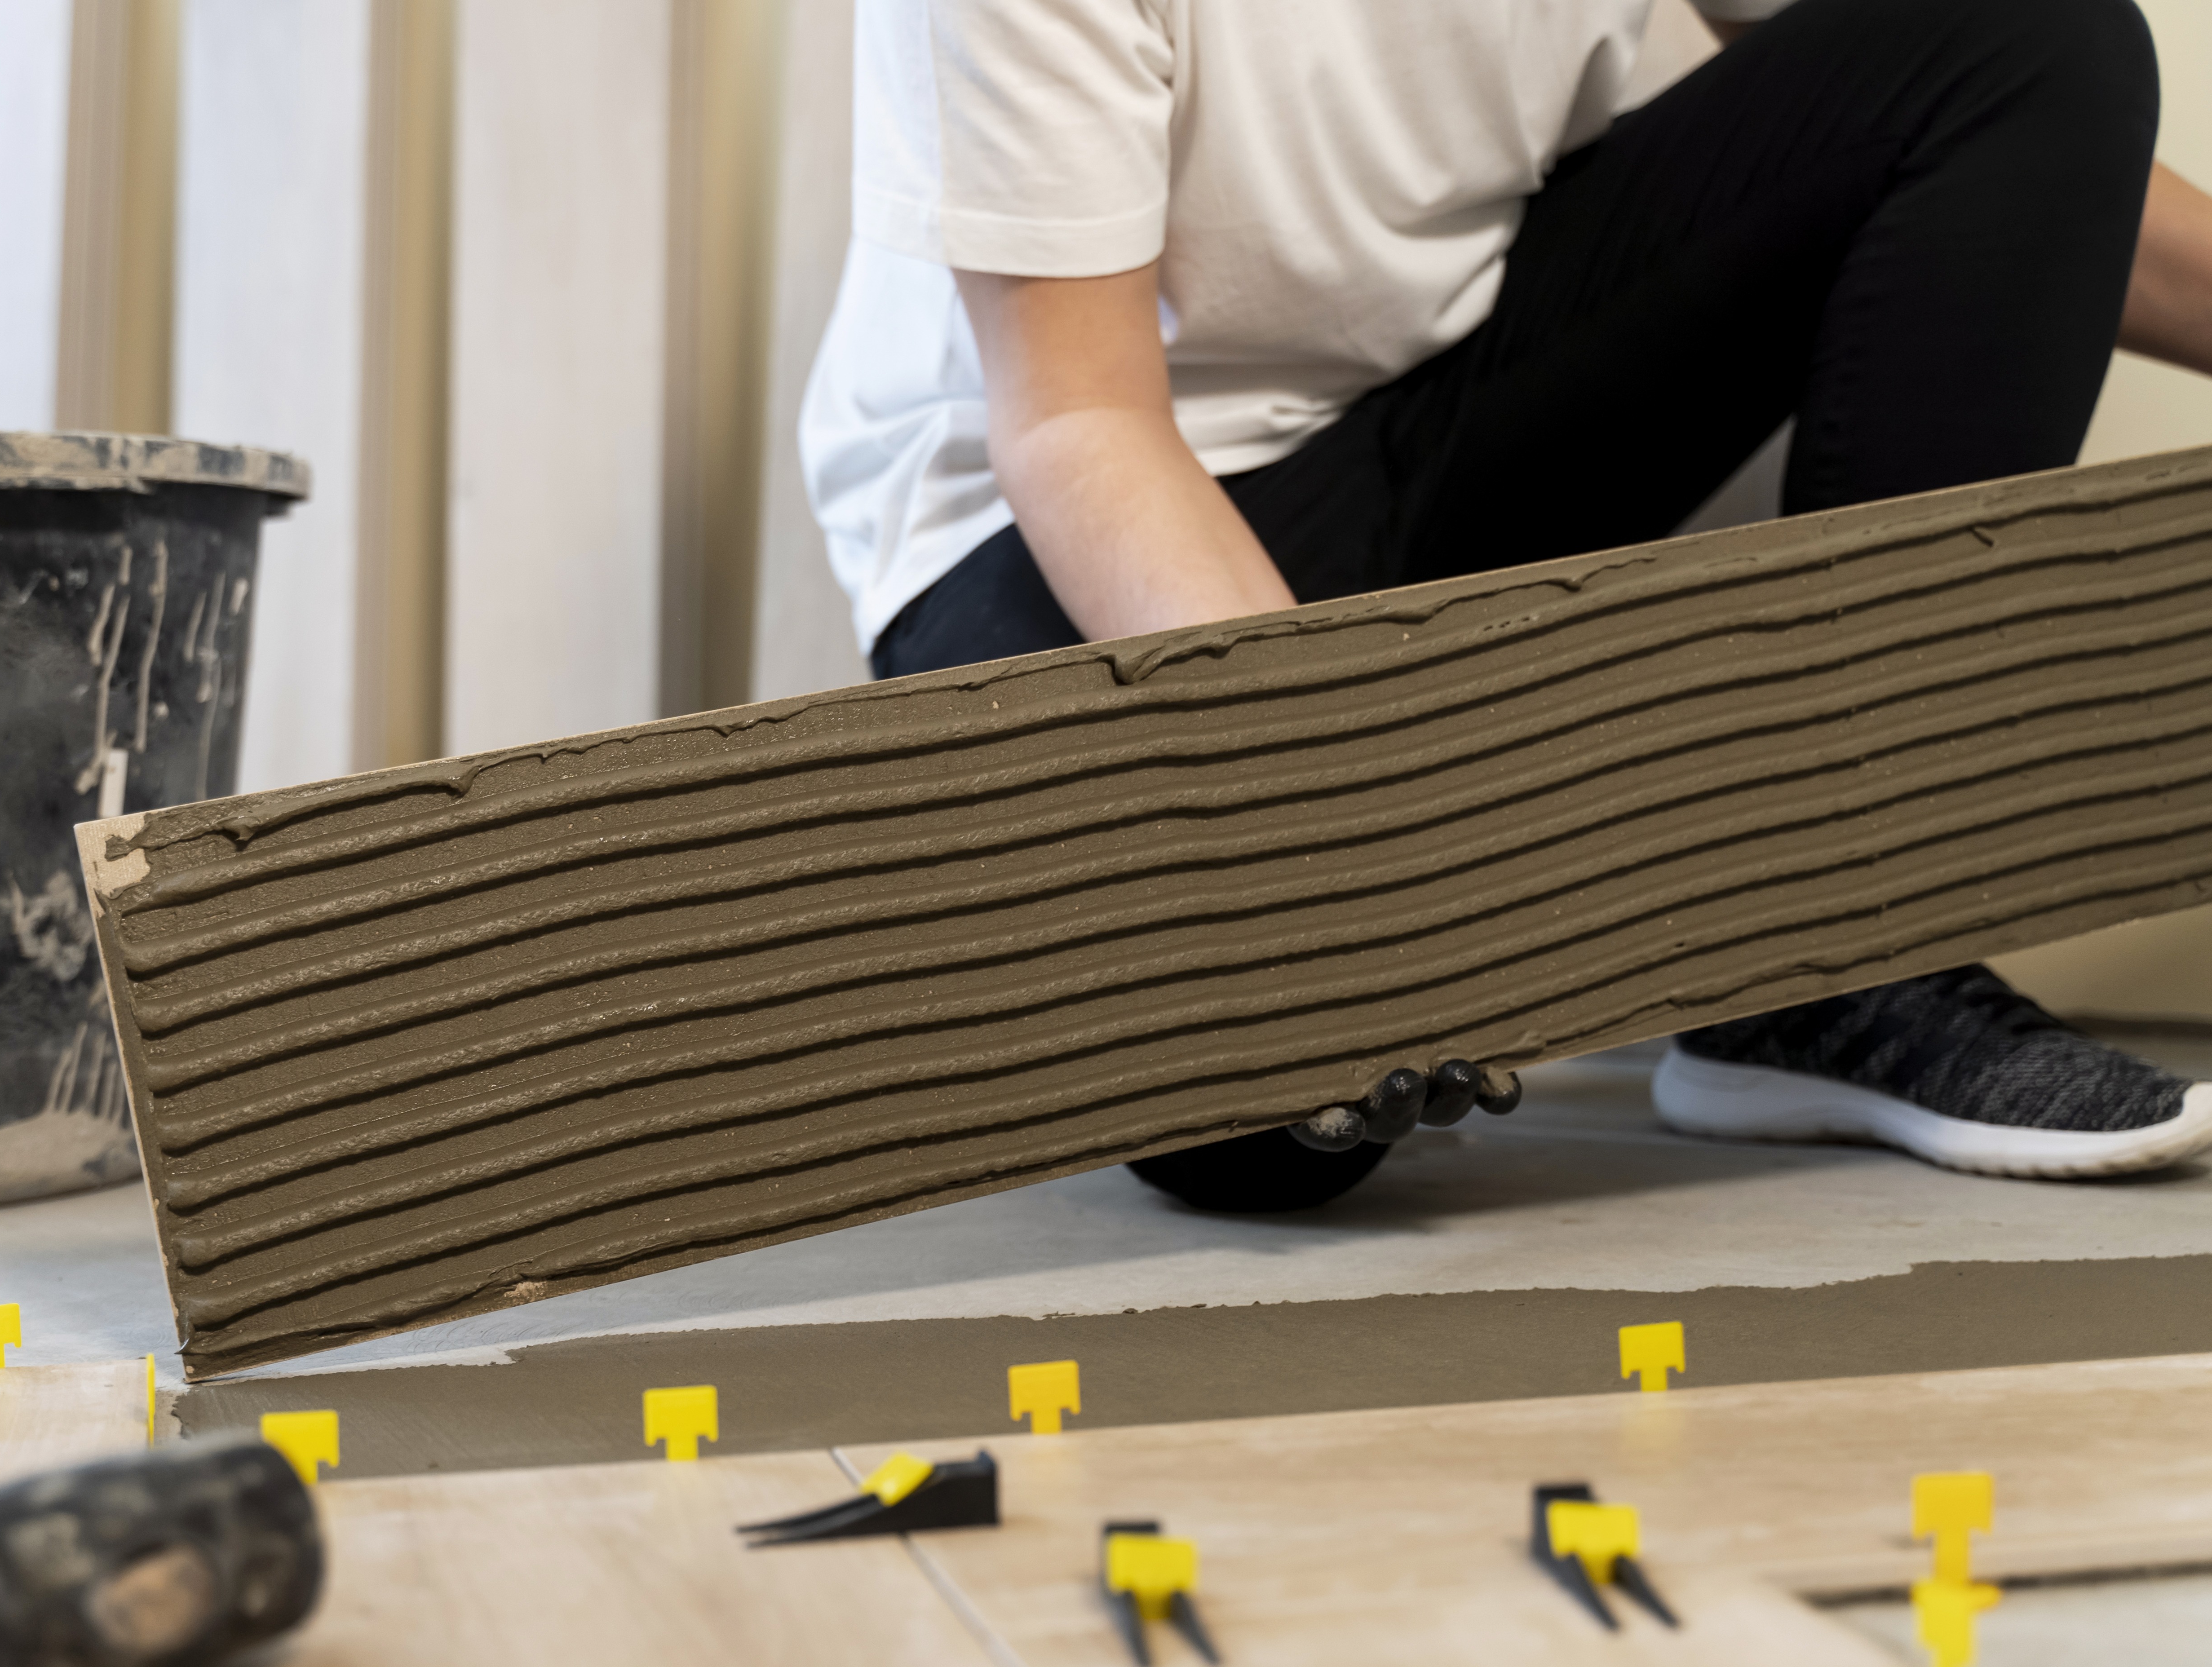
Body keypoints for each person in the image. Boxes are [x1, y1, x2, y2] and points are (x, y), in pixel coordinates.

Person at [801, 0, 2212, 1210]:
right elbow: (1079, 422)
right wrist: (1347, 838)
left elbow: (2005, 121)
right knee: (1266, 1121)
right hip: (1063, 521)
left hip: (1432, 420)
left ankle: (1839, 945)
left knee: (2035, 39)